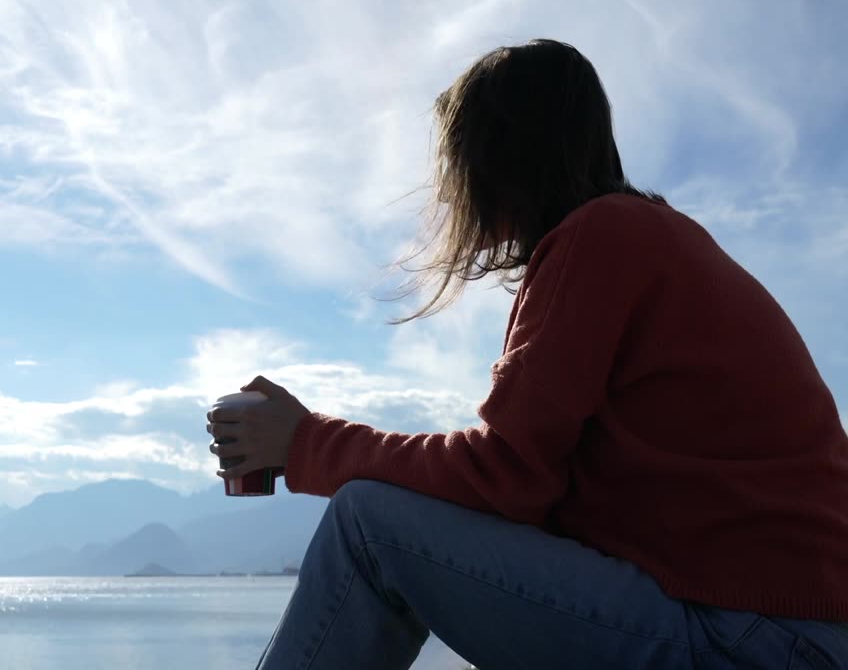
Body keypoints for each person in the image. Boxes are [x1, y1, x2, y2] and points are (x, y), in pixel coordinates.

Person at [207, 39, 848, 669]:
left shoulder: (603, 238)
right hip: (784, 626)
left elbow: (505, 478)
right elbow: (532, 492)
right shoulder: (650, 240)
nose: (450, 193)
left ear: (496, 157)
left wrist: (304, 443)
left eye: (453, 165)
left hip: (755, 637)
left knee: (368, 525)